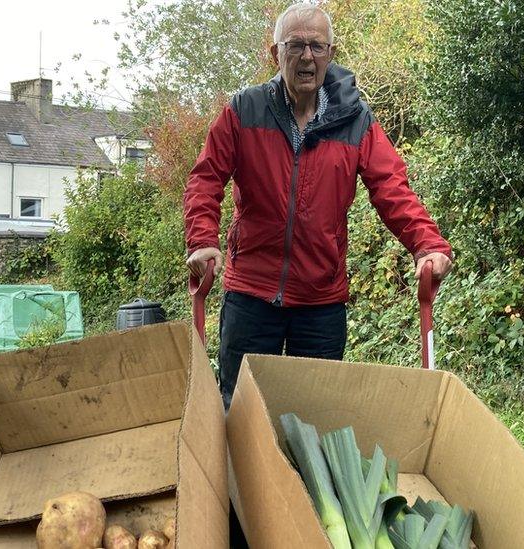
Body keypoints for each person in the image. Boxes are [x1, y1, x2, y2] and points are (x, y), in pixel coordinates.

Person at [184, 2, 453, 410]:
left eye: (317, 46)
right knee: (239, 413)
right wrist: (203, 239)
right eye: (296, 45)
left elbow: (391, 187)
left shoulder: (355, 120)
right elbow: (206, 179)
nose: (307, 56)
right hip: (252, 294)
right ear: (276, 54)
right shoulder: (243, 111)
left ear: (330, 53)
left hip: (321, 300)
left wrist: (427, 245)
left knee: (314, 419)